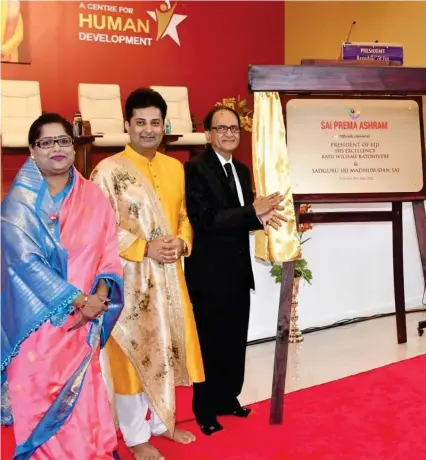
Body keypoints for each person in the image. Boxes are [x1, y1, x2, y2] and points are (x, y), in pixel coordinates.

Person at [1, 113, 125, 459]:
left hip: (83, 326)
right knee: (42, 406)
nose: (56, 148)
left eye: (64, 141)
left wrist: (99, 297)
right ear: (31, 150)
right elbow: (26, 264)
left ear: (74, 146)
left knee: (85, 405)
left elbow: (109, 252)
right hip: (37, 327)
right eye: (46, 142)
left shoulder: (94, 197)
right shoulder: (18, 206)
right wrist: (79, 300)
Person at [90, 88, 205, 460]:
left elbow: (184, 216)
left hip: (169, 280)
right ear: (127, 125)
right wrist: (144, 247)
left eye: (155, 122)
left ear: (164, 125)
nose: (148, 130)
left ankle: (160, 422)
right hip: (128, 282)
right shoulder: (107, 171)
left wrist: (181, 244)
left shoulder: (174, 168)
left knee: (165, 352)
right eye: (140, 122)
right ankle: (136, 436)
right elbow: (97, 228)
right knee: (130, 357)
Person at [184, 105, 285, 435]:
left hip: (239, 273)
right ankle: (205, 410)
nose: (228, 134)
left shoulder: (241, 170)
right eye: (221, 128)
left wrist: (260, 218)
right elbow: (207, 220)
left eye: (233, 129)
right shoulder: (195, 170)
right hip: (209, 275)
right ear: (208, 134)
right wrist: (252, 212)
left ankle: (228, 399)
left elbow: (243, 216)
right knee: (210, 344)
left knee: (234, 341)